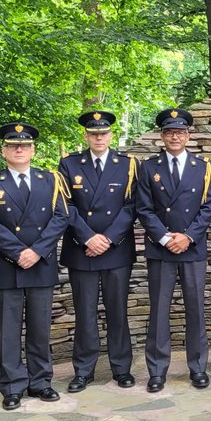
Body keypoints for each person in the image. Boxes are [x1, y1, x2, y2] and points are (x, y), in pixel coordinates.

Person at [0, 122, 70, 410]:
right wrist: (19, 252)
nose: (20, 149)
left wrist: (37, 251)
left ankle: (41, 382)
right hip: (7, 265)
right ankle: (13, 386)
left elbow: (61, 217)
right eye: (13, 145)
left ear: (33, 150)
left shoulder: (50, 180)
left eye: (25, 145)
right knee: (9, 329)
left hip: (40, 264)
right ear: (4, 150)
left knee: (40, 328)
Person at [136, 108, 211, 393]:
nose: (175, 137)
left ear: (189, 135)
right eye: (170, 132)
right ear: (162, 136)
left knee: (195, 309)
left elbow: (209, 206)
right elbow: (144, 209)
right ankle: (157, 370)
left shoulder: (204, 167)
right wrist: (164, 238)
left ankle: (197, 367)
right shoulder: (149, 168)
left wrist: (188, 237)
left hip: (191, 248)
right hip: (161, 250)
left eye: (180, 132)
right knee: (159, 311)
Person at [59, 111, 138, 392]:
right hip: (82, 250)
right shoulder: (69, 164)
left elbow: (131, 206)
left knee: (118, 311)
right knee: (85, 312)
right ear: (86, 136)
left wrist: (107, 238)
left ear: (110, 135)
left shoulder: (127, 165)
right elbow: (66, 206)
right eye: (93, 133)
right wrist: (88, 238)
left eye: (103, 133)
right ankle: (83, 370)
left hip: (115, 250)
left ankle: (121, 368)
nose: (99, 137)